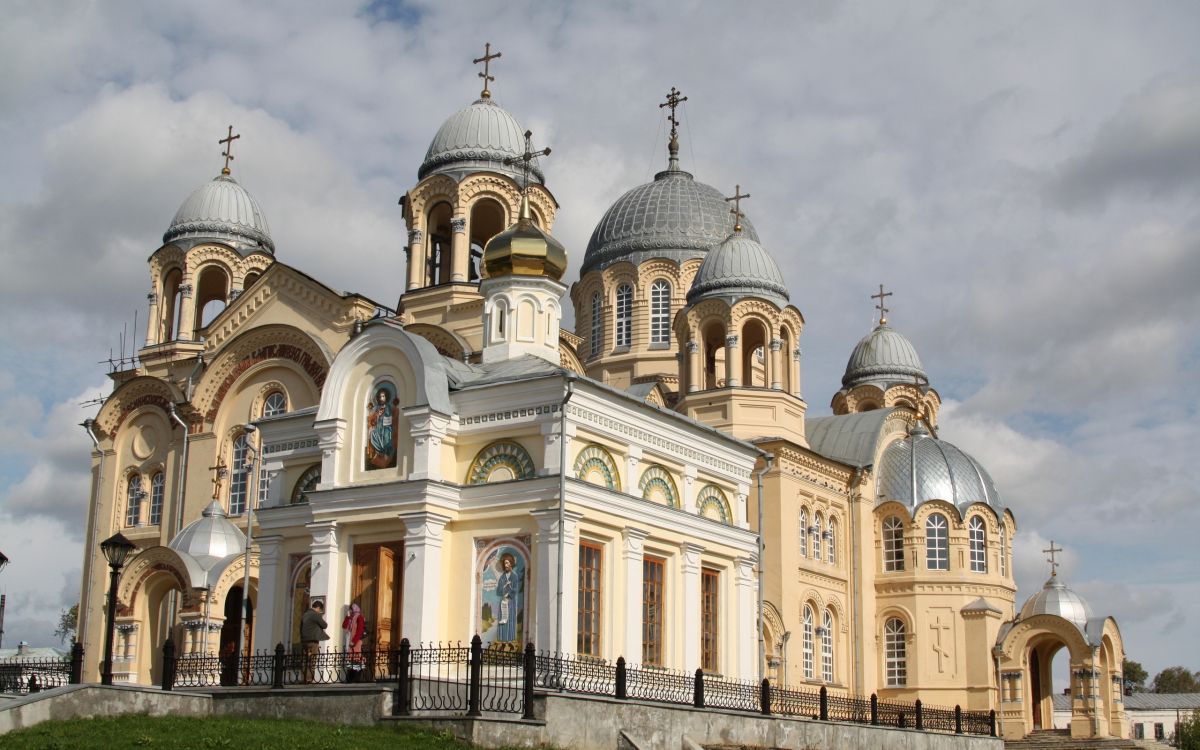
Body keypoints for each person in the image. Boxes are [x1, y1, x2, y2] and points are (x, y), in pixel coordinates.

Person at [300, 599, 329, 683]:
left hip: (304, 640)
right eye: (320, 610)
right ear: (318, 608)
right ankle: (309, 679)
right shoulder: (315, 614)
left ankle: (303, 678)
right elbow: (324, 625)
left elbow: (300, 628)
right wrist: (319, 617)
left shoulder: (305, 614)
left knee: (305, 660)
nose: (319, 611)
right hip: (312, 641)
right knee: (312, 659)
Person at [365, 387, 395, 469]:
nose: (381, 398)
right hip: (378, 427)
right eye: (380, 397)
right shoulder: (377, 408)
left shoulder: (388, 407)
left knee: (386, 437)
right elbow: (374, 418)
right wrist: (376, 415)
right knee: (373, 434)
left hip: (386, 427)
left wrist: (384, 416)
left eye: (383, 396)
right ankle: (379, 452)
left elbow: (389, 416)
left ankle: (385, 454)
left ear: (386, 397)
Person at [342, 602, 366, 682]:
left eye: (351, 609)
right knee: (350, 659)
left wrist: (354, 641)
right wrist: (347, 617)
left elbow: (359, 630)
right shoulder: (351, 618)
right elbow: (344, 626)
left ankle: (356, 677)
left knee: (356, 659)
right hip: (349, 641)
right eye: (350, 609)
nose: (350, 611)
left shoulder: (359, 617)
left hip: (356, 642)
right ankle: (350, 677)